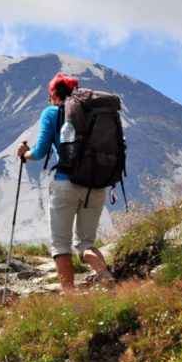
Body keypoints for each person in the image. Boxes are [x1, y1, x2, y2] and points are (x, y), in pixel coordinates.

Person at [17, 73, 116, 292]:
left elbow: (41, 151)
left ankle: (69, 296)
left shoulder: (52, 113)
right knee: (85, 243)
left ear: (53, 94)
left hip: (65, 184)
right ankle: (104, 273)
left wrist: (25, 154)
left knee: (61, 244)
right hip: (96, 184)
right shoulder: (94, 113)